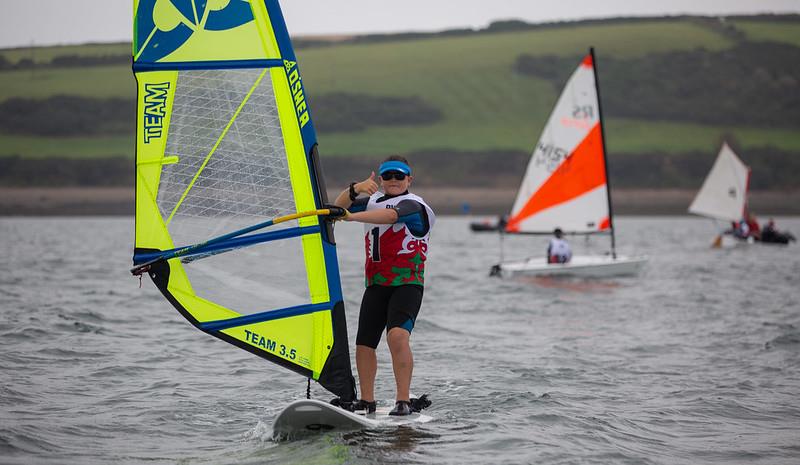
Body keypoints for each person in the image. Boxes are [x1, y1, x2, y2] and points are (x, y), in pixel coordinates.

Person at [332, 155, 435, 416]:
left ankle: (403, 401)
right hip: (376, 284)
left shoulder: (414, 204)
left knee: (397, 336)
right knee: (364, 343)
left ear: (409, 179)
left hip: (407, 283)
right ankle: (367, 401)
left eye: (399, 176)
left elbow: (390, 217)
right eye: (387, 176)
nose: (393, 180)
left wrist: (351, 217)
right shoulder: (372, 201)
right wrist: (354, 189)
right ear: (380, 180)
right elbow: (337, 206)